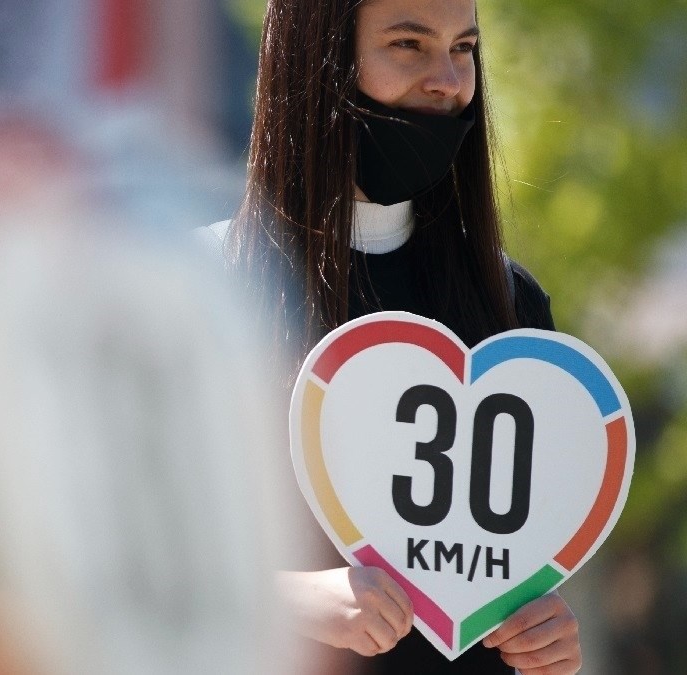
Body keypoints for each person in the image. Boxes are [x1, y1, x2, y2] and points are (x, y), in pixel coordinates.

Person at [196, 0, 583, 673]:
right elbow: (115, 567)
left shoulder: (513, 308)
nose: (448, 79)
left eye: (464, 48)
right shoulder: (204, 293)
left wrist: (547, 639)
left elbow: (510, 578)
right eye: (408, 43)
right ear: (315, 60)